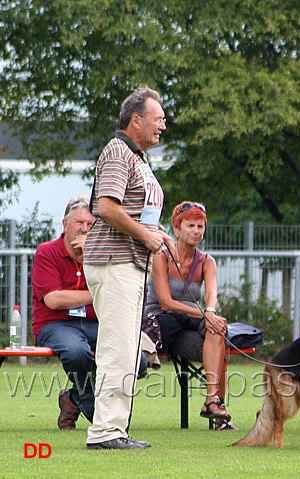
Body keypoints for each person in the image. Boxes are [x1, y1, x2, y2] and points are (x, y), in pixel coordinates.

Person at [83, 87, 173, 450]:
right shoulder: (119, 153)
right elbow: (105, 207)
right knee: (117, 349)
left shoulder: (137, 157)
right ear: (136, 120)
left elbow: (135, 211)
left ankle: (114, 429)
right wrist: (145, 236)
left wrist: (157, 234)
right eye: (158, 118)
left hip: (130, 262)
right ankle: (105, 433)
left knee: (124, 349)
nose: (163, 125)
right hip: (114, 261)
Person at [31, 195, 148, 431]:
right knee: (76, 352)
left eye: (91, 224)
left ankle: (73, 398)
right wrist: (98, 293)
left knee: (138, 360)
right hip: (55, 324)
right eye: (79, 223)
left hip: (96, 322)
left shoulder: (101, 256)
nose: (85, 229)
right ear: (65, 225)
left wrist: (93, 255)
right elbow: (54, 300)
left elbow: (119, 291)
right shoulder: (47, 252)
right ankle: (98, 415)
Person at [143, 201, 235, 430]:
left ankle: (213, 401)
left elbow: (212, 292)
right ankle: (216, 407)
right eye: (190, 225)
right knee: (211, 325)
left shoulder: (206, 261)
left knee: (219, 330)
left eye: (200, 226)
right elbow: (166, 303)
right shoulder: (161, 257)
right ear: (176, 229)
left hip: (188, 323)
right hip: (161, 322)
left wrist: (211, 312)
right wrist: (205, 313)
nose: (196, 231)